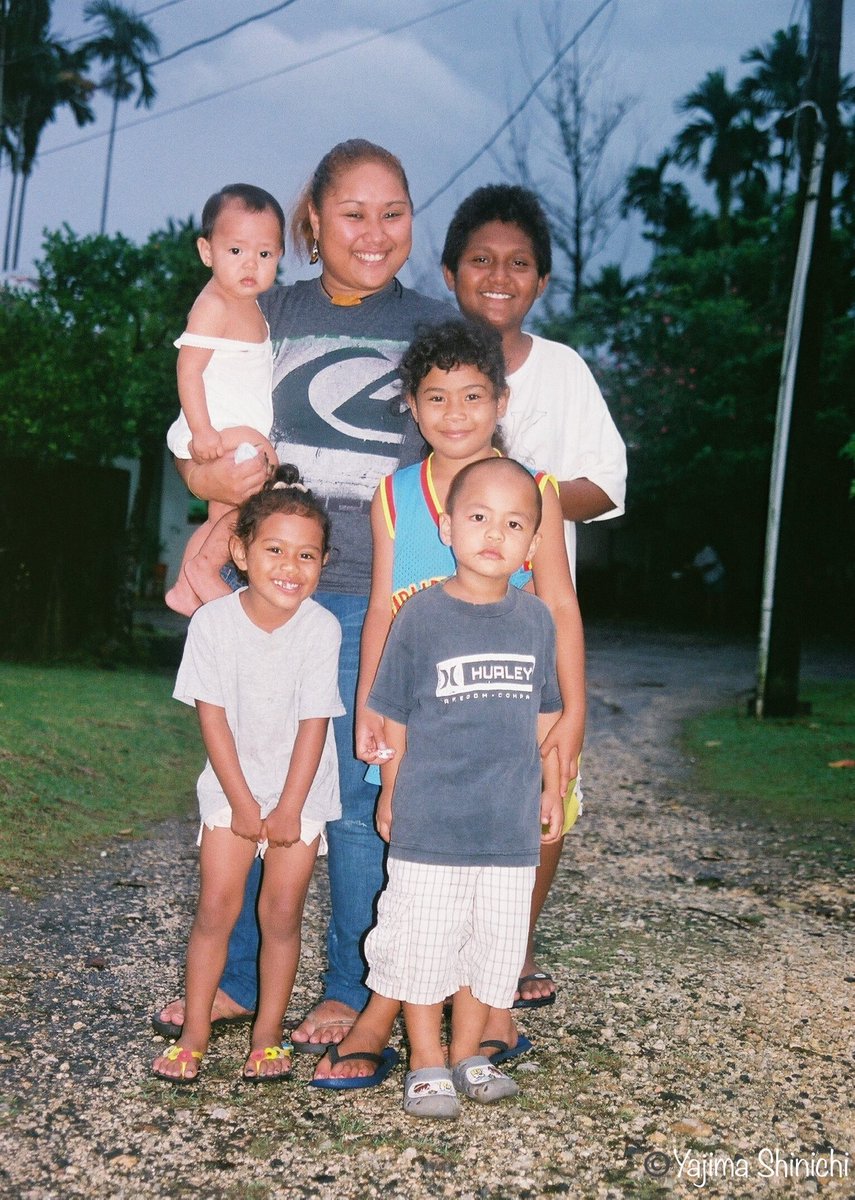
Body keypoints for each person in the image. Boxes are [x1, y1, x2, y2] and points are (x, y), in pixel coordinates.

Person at [152, 139, 456, 1051]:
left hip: (377, 597)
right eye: (352, 213)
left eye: (393, 212)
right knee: (246, 783)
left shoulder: (436, 326)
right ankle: (237, 982)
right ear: (312, 221)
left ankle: (350, 988)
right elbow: (195, 433)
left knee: (358, 799)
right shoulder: (264, 307)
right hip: (266, 596)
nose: (374, 231)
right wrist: (207, 473)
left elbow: (466, 460)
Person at [312, 319, 584, 1089]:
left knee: (492, 880)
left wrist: (573, 715)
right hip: (424, 727)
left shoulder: (535, 491)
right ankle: (387, 1015)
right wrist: (370, 704)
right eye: (436, 397)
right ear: (411, 404)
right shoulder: (395, 496)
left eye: (472, 396)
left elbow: (560, 606)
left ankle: (480, 1014)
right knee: (416, 881)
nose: (455, 413)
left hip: (508, 724)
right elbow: (381, 608)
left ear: (500, 401)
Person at [441, 183, 627, 1009]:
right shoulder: (431, 364)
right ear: (450, 272)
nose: (498, 276)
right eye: (480, 259)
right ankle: (430, 949)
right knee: (444, 779)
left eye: (518, 263)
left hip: (535, 615)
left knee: (545, 777)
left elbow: (607, 483)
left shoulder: (562, 370)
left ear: (541, 281)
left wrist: (525, 494)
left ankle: (510, 951)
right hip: (440, 613)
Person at [363, 455, 565, 1119]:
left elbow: (545, 713)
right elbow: (393, 715)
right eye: (478, 517)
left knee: (492, 950)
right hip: (432, 823)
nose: (494, 533)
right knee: (423, 946)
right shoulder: (421, 616)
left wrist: (548, 787)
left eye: (514, 523)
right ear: (448, 528)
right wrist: (390, 789)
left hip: (507, 828)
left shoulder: (535, 620)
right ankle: (425, 1061)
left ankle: (468, 1055)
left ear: (533, 544)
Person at [151, 466, 344, 1084]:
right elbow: (212, 720)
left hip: (300, 792)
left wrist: (288, 808)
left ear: (323, 562)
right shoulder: (213, 623)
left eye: (306, 555)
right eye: (275, 550)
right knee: (216, 909)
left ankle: (267, 1036)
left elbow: (314, 725)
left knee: (281, 916)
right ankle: (195, 1032)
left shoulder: (322, 628)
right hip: (230, 787)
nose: (291, 566)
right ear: (241, 552)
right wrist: (240, 802)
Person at [164, 183, 284, 617]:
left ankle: (186, 586)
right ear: (207, 251)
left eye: (264, 254)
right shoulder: (214, 304)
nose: (250, 263)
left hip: (230, 427)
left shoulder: (251, 305)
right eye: (236, 250)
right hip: (220, 430)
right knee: (255, 502)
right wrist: (202, 432)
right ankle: (202, 572)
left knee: (223, 517)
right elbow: (189, 369)